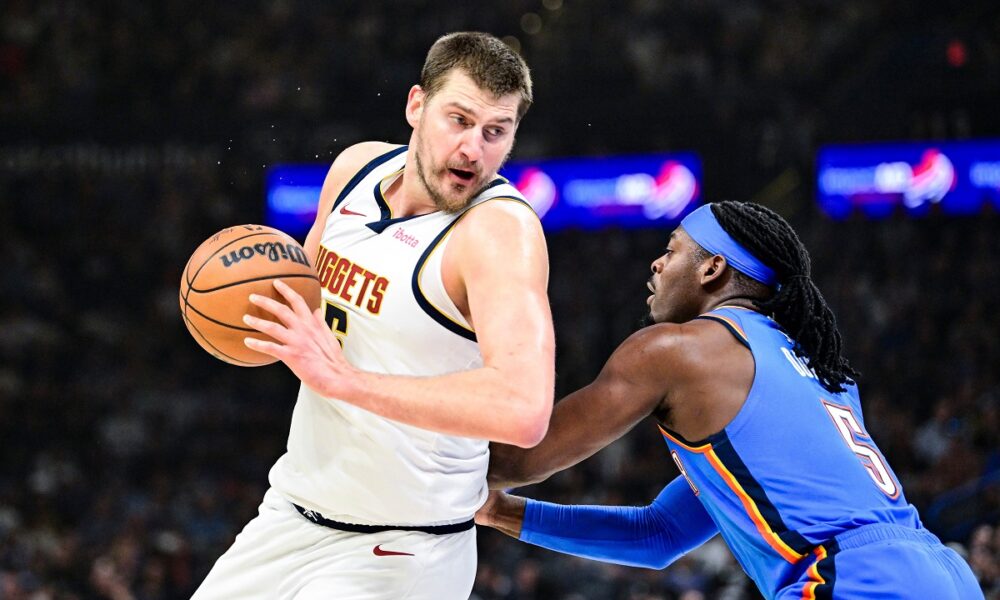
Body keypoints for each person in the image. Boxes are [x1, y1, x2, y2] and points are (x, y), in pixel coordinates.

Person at [193, 32, 555, 600]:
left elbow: (524, 408)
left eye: (495, 132)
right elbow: (303, 312)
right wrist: (243, 316)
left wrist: (346, 381)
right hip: (290, 514)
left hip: (405, 550)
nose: (472, 150)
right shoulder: (354, 170)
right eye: (457, 119)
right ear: (416, 105)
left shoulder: (499, 232)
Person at [477, 201, 983, 599]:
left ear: (712, 268)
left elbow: (521, 456)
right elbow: (660, 534)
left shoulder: (677, 350)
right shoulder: (822, 371)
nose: (655, 262)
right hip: (944, 573)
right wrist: (500, 512)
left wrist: (414, 430)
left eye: (672, 250)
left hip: (852, 579)